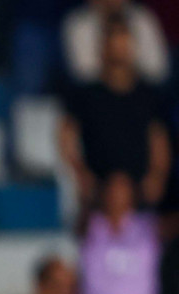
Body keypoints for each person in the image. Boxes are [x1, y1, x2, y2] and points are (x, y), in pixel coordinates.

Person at [59, 16, 171, 212]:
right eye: (111, 40)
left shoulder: (148, 94)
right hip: (96, 197)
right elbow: (66, 135)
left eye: (123, 39)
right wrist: (80, 173)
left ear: (132, 45)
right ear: (101, 47)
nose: (117, 47)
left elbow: (159, 139)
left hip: (139, 197)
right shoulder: (86, 94)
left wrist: (157, 176)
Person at [62, 0, 167, 85]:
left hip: (141, 94)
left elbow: (157, 69)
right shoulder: (78, 23)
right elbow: (83, 72)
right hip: (94, 96)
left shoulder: (142, 18)